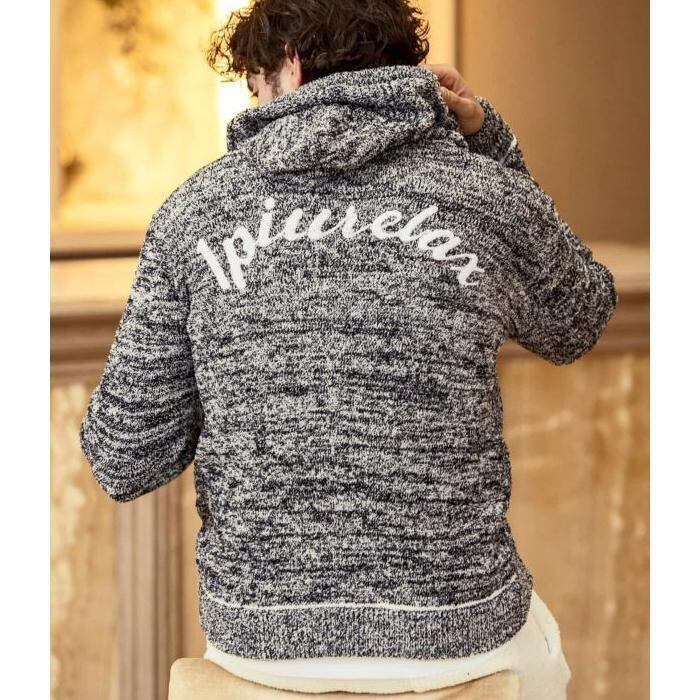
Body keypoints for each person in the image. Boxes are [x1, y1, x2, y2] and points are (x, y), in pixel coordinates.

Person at [79, 0, 617, 698]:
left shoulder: (194, 213)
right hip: (462, 635)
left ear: (290, 66)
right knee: (543, 653)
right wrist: (489, 142)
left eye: (254, 84)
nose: (253, 102)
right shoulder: (484, 196)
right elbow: (578, 320)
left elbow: (124, 459)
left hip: (261, 643)